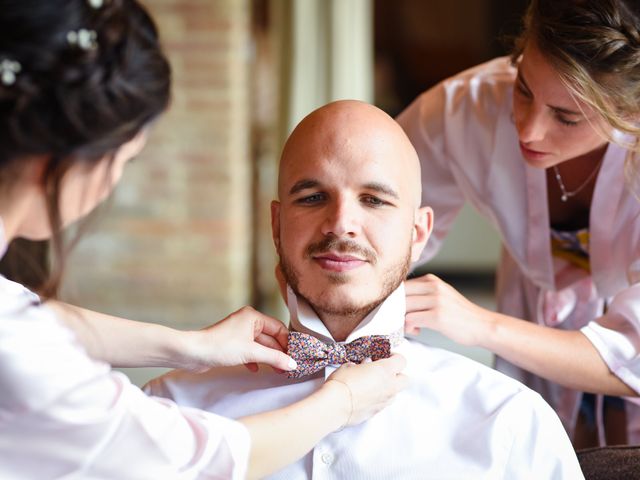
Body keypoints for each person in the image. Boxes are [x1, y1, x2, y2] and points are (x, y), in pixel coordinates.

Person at [0, 2, 408, 479]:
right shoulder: (161, 397)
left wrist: (188, 346)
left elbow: (25, 316)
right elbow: (192, 464)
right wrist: (342, 402)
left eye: (375, 201)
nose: (342, 225)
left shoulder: (501, 415)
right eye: (124, 161)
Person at [145, 100, 584, 479]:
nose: (340, 224)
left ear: (418, 233)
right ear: (277, 226)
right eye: (313, 197)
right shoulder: (172, 408)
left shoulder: (508, 422)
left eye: (374, 200)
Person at [397, 0, 640, 448]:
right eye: (524, 89)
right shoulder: (463, 109)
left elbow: (632, 359)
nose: (527, 130)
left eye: (567, 117)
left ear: (631, 114)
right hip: (528, 308)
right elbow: (382, 214)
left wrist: (479, 324)